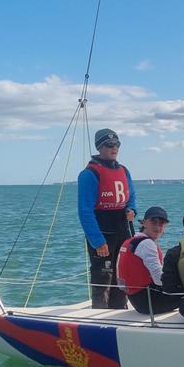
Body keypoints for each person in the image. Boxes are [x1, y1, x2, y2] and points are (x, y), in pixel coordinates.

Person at [78, 128, 136, 309]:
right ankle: (100, 313)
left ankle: (119, 309)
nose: (114, 147)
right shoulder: (89, 174)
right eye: (109, 145)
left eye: (117, 144)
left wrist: (132, 209)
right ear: (99, 147)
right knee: (103, 274)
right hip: (103, 230)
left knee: (121, 271)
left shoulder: (124, 170)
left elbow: (131, 195)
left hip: (122, 228)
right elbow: (85, 211)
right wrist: (97, 241)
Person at [116, 206, 178, 315]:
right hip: (149, 302)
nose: (158, 227)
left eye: (161, 223)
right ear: (144, 223)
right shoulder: (147, 244)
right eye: (154, 222)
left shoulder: (131, 241)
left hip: (136, 300)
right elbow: (159, 279)